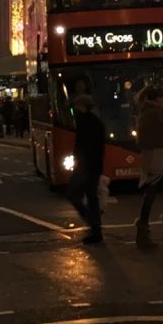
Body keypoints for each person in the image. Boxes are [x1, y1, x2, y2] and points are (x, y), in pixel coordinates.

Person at [134, 84, 163, 248]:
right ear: (156, 99)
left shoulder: (148, 113)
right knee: (152, 191)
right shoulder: (154, 114)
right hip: (155, 156)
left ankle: (151, 228)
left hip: (155, 156)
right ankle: (151, 229)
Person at [66, 94, 106, 244]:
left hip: (85, 166)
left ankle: (93, 224)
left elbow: (83, 146)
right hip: (93, 165)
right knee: (91, 197)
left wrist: (79, 162)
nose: (74, 109)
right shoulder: (96, 120)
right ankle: (96, 230)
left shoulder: (85, 121)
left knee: (72, 193)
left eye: (76, 106)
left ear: (81, 106)